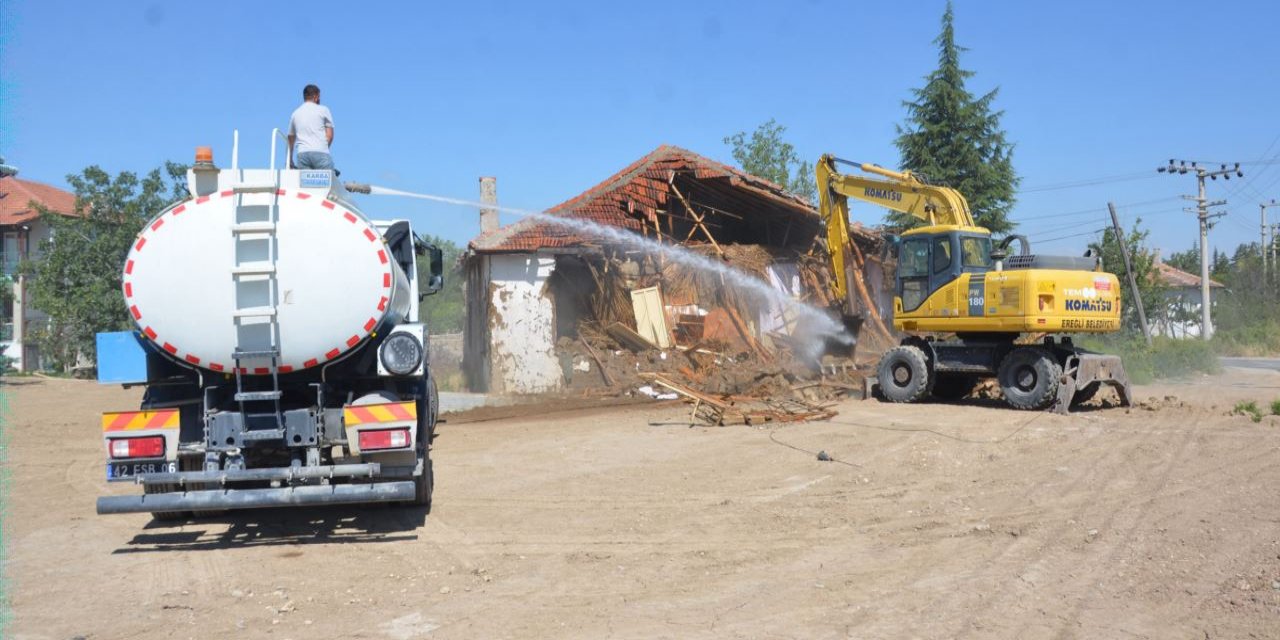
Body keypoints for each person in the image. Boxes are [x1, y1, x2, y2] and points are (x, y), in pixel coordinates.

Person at [288, 84, 335, 170]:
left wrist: (290, 159)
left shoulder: (295, 113)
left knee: (307, 183)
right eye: (319, 97)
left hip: (302, 154)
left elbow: (291, 139)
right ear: (315, 96)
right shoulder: (324, 110)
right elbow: (330, 136)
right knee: (327, 182)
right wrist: (322, 148)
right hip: (320, 152)